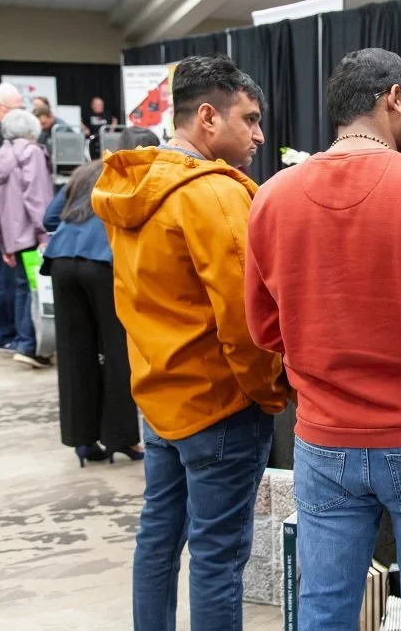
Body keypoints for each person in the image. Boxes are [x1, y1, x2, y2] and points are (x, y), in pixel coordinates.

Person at [245, 47, 401, 630]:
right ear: (394, 98)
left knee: (324, 609)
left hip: (323, 439)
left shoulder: (272, 197)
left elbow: (264, 329)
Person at [91, 55, 289, 630]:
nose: (258, 134)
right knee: (218, 556)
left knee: (158, 537)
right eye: (249, 119)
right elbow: (246, 321)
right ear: (207, 117)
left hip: (158, 397)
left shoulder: (132, 185)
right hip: (220, 406)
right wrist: (271, 392)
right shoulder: (215, 195)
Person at [43, 128, 158, 468]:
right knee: (118, 351)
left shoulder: (86, 172)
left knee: (73, 350)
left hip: (62, 261)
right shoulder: (143, 173)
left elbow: (49, 217)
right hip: (105, 264)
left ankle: (83, 440)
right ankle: (122, 439)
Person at [0, 108, 54, 368]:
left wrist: (1, 240)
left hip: (12, 237)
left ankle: (21, 341)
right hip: (32, 235)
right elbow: (36, 198)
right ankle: (29, 345)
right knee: (34, 290)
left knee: (21, 289)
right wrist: (45, 233)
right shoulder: (32, 152)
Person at [0, 82, 24, 353]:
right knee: (5, 275)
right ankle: (1, 333)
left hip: (2, 212)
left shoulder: (0, 134)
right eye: (16, 108)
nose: (21, 114)